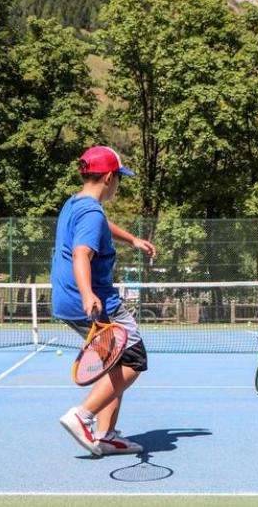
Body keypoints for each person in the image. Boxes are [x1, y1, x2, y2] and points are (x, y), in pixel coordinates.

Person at [52, 146, 156, 457]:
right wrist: (88, 293)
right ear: (109, 177)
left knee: (115, 364)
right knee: (134, 360)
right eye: (119, 179)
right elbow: (83, 253)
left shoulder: (76, 204)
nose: (118, 185)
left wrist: (131, 239)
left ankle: (106, 435)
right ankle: (82, 416)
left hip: (66, 299)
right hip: (93, 300)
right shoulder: (91, 212)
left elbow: (100, 226)